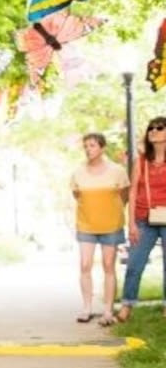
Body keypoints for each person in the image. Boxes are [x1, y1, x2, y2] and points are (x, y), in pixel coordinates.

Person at [70, 132, 129, 326]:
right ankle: (86, 308)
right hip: (86, 224)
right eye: (86, 146)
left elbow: (124, 196)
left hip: (111, 225)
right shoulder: (78, 172)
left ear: (102, 148)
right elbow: (77, 195)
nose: (88, 149)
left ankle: (107, 311)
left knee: (108, 265)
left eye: (93, 145)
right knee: (85, 264)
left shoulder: (117, 170)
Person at [118, 118, 166, 323]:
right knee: (135, 263)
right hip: (143, 218)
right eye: (151, 129)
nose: (153, 131)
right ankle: (127, 304)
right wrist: (131, 223)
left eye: (159, 128)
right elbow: (133, 191)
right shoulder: (142, 161)